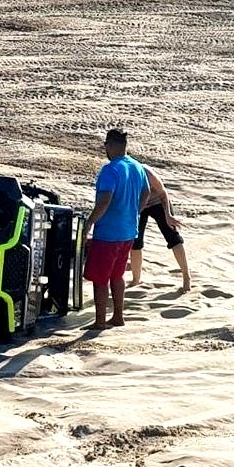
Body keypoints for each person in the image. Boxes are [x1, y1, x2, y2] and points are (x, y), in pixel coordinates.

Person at [82, 128, 149, 330]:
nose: (105, 149)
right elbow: (146, 192)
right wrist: (134, 210)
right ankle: (118, 316)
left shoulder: (110, 169)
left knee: (100, 278)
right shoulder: (137, 167)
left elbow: (104, 201)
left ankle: (100, 321)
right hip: (128, 230)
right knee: (117, 275)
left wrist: (89, 223)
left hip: (109, 233)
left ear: (111, 145)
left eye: (106, 145)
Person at [130, 166, 191, 291]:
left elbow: (163, 192)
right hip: (138, 205)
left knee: (173, 237)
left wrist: (168, 215)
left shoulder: (146, 172)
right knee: (135, 240)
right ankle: (136, 279)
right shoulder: (122, 174)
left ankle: (186, 276)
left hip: (158, 201)